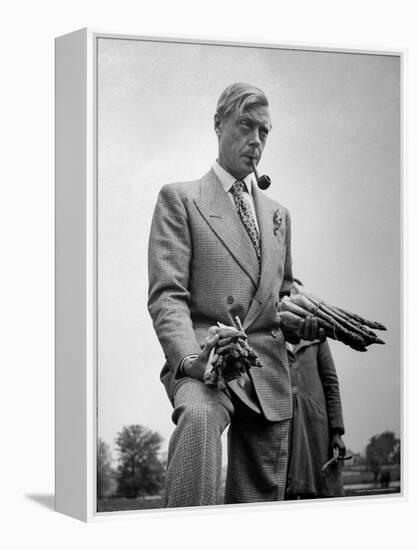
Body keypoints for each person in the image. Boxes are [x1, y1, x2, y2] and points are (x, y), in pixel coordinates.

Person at [147, 82, 321, 508]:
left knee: (258, 506)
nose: (256, 141)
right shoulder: (181, 199)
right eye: (246, 126)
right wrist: (190, 360)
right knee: (199, 420)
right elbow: (167, 296)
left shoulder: (280, 215)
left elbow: (281, 295)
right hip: (209, 359)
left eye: (264, 131)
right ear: (218, 124)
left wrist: (299, 320)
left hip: (267, 371)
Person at [285, 282, 346, 499]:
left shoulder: (318, 335)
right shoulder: (271, 337)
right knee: (284, 489)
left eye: (295, 295)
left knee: (321, 489)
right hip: (285, 424)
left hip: (317, 424)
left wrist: (337, 431)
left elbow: (331, 382)